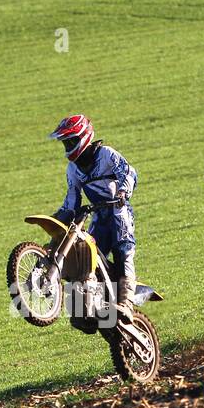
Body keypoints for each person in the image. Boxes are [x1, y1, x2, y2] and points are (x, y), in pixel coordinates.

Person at [47, 114, 139, 321]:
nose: (68, 146)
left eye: (71, 141)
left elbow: (129, 172)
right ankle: (85, 309)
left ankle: (126, 303)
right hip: (97, 215)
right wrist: (60, 217)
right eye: (65, 143)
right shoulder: (73, 169)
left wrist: (123, 193)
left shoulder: (106, 154)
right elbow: (72, 198)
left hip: (118, 211)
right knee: (85, 256)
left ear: (84, 137)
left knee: (123, 250)